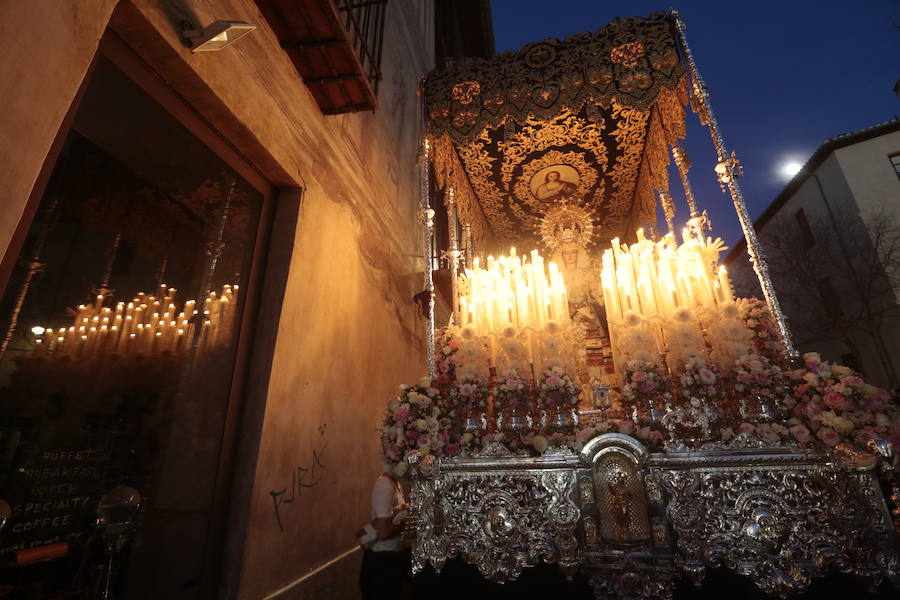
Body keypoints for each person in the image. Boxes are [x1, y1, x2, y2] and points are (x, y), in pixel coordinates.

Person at [357, 465, 410, 600]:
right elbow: (383, 533)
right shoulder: (385, 485)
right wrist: (405, 523)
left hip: (394, 558)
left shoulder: (395, 483)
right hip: (382, 563)